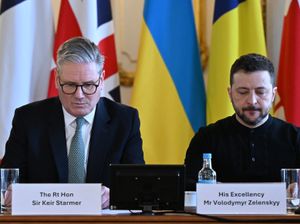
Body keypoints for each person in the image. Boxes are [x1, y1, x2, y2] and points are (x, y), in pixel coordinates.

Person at [1, 37, 145, 208]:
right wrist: (10, 193)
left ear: (101, 80)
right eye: (70, 85)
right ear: (57, 80)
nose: (79, 95)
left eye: (89, 85)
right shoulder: (28, 119)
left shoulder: (125, 121)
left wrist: (115, 195)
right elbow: (9, 181)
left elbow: (137, 186)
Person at [184, 53, 300, 191]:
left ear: (273, 94)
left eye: (261, 92)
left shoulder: (295, 138)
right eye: (243, 92)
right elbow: (188, 186)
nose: (252, 100)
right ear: (230, 93)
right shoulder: (206, 138)